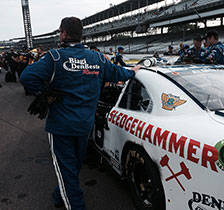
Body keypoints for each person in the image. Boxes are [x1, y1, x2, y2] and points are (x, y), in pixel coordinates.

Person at [20, 16, 140, 210]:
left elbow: (27, 77)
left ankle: (74, 203)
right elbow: (120, 74)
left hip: (61, 126)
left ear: (64, 33)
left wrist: (45, 93)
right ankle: (59, 195)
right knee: (72, 166)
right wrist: (133, 70)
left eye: (60, 31)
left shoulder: (55, 57)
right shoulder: (98, 58)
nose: (59, 35)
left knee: (68, 170)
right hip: (85, 125)